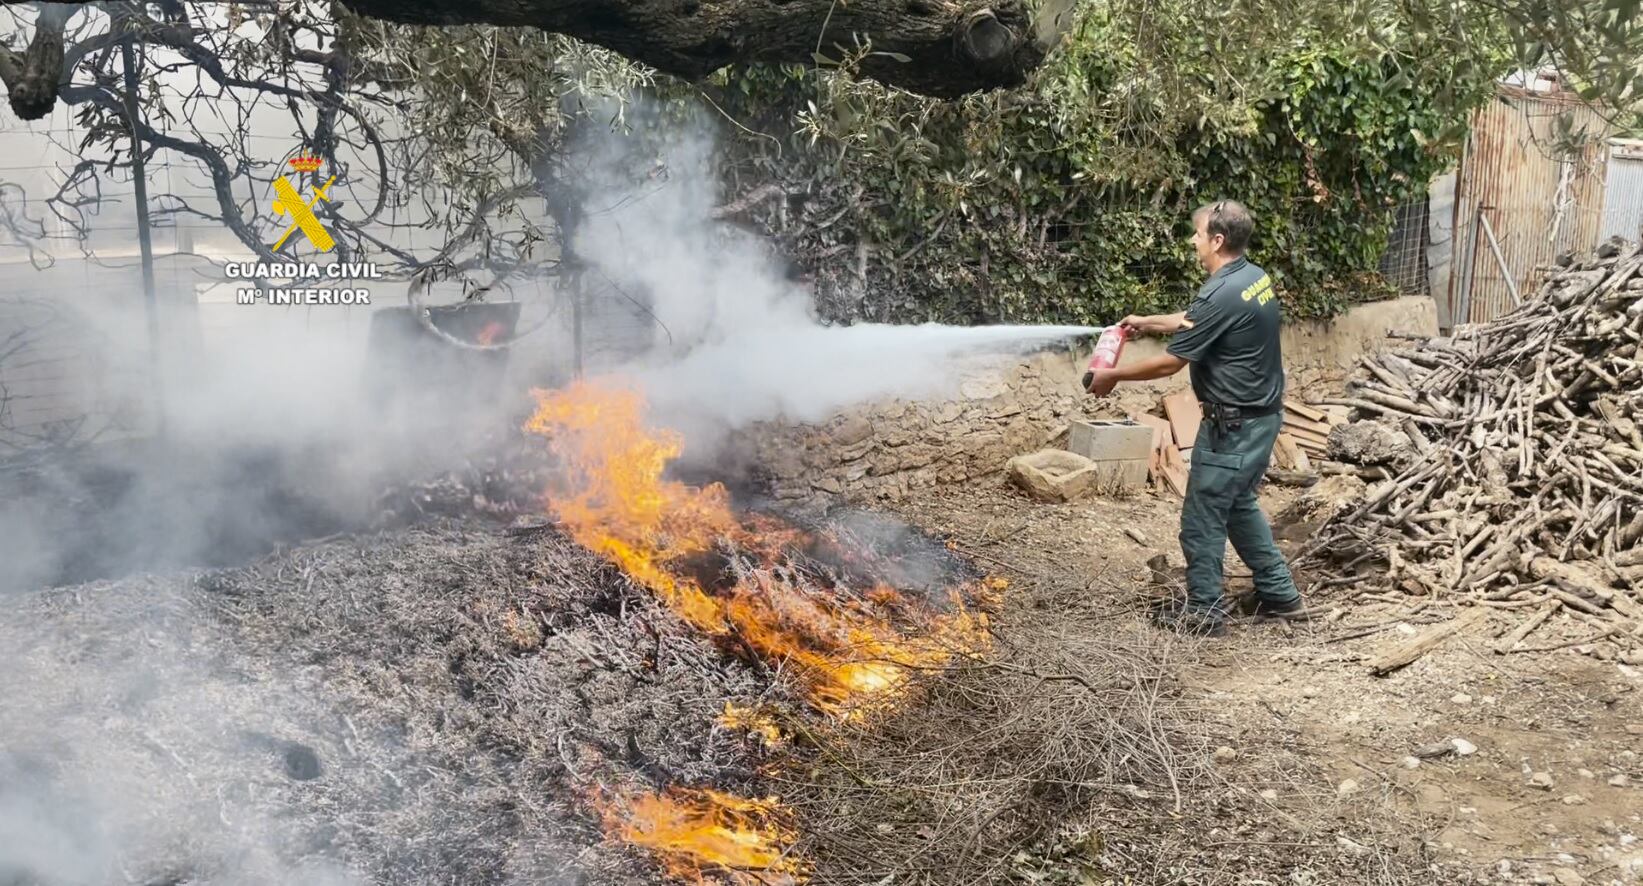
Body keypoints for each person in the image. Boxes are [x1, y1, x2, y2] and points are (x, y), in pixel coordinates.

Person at [1085, 200, 1308, 635]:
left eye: (1198, 233)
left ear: (1217, 240)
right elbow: (1196, 321)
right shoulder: (1252, 278)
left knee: (1202, 518)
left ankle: (1205, 614)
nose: (1193, 240)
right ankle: (1282, 596)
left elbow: (1171, 363)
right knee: (1238, 505)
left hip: (1233, 427)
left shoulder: (1220, 291)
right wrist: (1146, 322)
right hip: (1259, 419)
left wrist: (1110, 375)